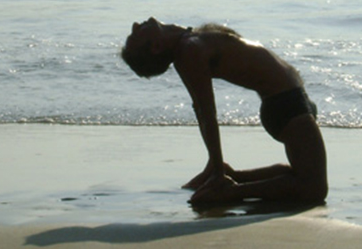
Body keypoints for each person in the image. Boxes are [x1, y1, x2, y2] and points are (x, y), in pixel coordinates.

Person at [121, 17, 328, 205]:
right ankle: (229, 191)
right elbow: (204, 111)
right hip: (286, 105)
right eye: (135, 35)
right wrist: (216, 167)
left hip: (292, 102)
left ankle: (235, 177)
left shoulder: (192, 38)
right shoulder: (188, 50)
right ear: (156, 46)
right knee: (314, 189)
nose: (135, 25)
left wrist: (218, 168)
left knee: (297, 174)